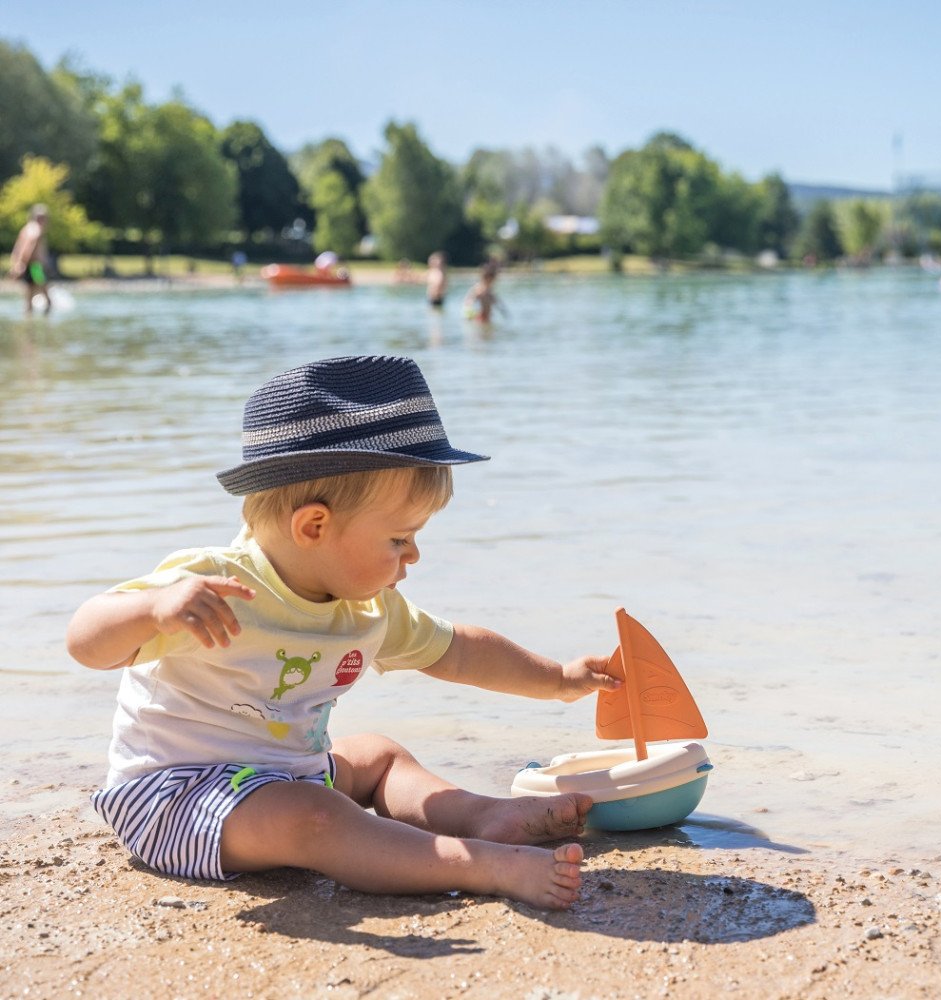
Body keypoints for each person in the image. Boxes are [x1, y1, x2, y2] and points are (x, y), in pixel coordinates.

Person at [66, 356, 619, 910]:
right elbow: (85, 641)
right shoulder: (211, 587)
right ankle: (479, 866)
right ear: (314, 527)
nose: (414, 555)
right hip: (178, 799)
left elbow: (459, 652)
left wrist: (560, 679)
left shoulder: (369, 607)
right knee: (321, 818)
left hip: (294, 780)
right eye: (399, 539)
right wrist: (153, 609)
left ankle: (482, 816)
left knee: (379, 755)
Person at [9, 204, 51, 315]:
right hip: (35, 267)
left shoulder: (26, 229)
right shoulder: (37, 230)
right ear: (41, 218)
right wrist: (22, 264)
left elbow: (17, 248)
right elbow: (29, 248)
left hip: (29, 265)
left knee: (29, 296)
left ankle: (28, 323)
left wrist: (17, 263)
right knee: (46, 297)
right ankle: (46, 322)